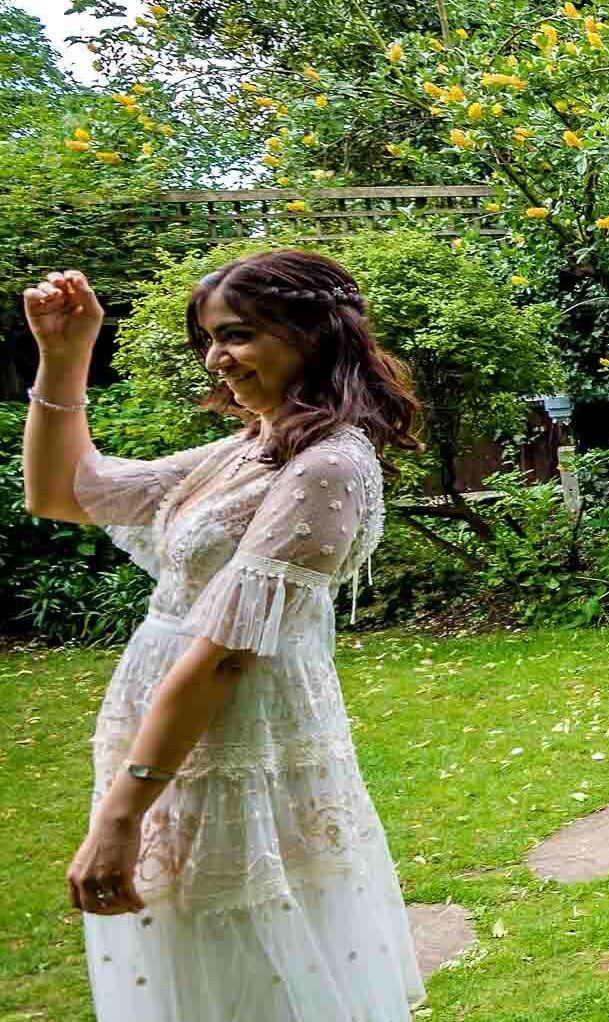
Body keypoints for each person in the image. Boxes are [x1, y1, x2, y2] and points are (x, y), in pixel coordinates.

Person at [21, 251, 426, 1021]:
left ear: (312, 334)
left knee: (246, 954)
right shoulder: (252, 446)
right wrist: (64, 355)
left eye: (237, 335)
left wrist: (121, 814)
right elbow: (63, 494)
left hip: (234, 740)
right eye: (209, 338)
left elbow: (226, 654)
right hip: (173, 735)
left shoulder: (327, 466)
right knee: (194, 953)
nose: (218, 358)